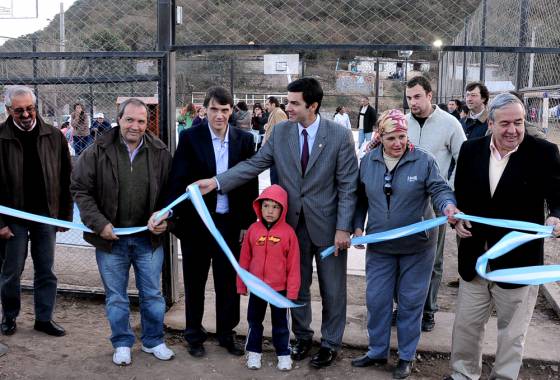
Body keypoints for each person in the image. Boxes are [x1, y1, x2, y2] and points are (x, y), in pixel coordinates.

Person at [195, 78, 358, 369]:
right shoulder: (281, 133)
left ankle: (331, 343)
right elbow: (254, 165)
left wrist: (343, 228)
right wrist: (218, 182)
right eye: (288, 101)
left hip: (330, 228)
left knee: (333, 290)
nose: (288, 107)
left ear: (313, 105)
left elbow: (347, 186)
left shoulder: (339, 136)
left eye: (295, 103)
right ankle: (304, 337)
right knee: (298, 286)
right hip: (291, 228)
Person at [446, 93, 560, 380]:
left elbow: (558, 195)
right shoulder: (470, 151)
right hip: (474, 258)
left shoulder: (543, 153)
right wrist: (456, 220)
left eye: (519, 122)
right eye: (505, 123)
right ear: (491, 124)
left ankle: (504, 377)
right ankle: (463, 374)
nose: (513, 130)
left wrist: (556, 215)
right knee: (467, 326)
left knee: (512, 333)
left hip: (518, 262)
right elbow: (460, 200)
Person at [351, 109, 458, 379]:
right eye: (391, 138)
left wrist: (447, 206)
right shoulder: (368, 161)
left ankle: (406, 356)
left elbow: (439, 189)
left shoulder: (423, 160)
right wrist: (356, 226)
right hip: (381, 247)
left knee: (411, 303)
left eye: (402, 137)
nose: (398, 143)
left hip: (417, 248)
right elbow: (361, 198)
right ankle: (377, 351)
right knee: (377, 300)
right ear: (380, 137)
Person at [153, 86, 258, 358]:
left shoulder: (244, 140)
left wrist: (248, 222)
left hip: (230, 224)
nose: (220, 115)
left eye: (225, 110)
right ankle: (194, 335)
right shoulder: (190, 138)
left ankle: (226, 333)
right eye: (214, 109)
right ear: (205, 109)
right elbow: (178, 179)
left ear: (231, 110)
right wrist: (171, 213)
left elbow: (249, 184)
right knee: (195, 281)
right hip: (197, 225)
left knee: (227, 283)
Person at [71, 98, 175, 366]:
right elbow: (81, 190)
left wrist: (165, 217)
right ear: (119, 119)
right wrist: (99, 224)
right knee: (116, 296)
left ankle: (153, 340)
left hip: (147, 239)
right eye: (130, 120)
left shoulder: (160, 151)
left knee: (152, 294)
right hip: (110, 240)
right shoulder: (97, 151)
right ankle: (122, 342)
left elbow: (171, 194)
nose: (135, 126)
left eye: (141, 121)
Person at [0, 85, 72, 337]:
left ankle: (44, 318)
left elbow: (66, 178)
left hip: (46, 215)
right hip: (12, 217)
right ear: (9, 110)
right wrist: (0, 223)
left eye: (30, 108)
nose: (26, 114)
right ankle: (9, 317)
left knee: (46, 270)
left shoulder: (54, 136)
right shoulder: (1, 137)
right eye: (19, 111)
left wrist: (65, 215)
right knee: (11, 272)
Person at [404, 76, 466, 332]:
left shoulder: (450, 124)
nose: (412, 103)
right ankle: (405, 307)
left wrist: (448, 190)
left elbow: (464, 158)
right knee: (403, 256)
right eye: (408, 98)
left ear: (430, 95)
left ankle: (428, 310)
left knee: (433, 260)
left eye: (417, 96)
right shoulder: (402, 123)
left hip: (434, 204)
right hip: (403, 202)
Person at [238, 184, 300, 372]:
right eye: (266, 206)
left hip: (279, 290)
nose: (270, 211)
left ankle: (283, 354)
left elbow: (294, 264)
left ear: (282, 209)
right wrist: (242, 284)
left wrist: (292, 291)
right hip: (257, 288)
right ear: (259, 206)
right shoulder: (252, 230)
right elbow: (244, 259)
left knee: (281, 324)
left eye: (275, 206)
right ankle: (254, 353)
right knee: (254, 322)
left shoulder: (288, 233)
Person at [262, 96, 288, 184]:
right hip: (273, 149)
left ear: (273, 104)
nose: (265, 107)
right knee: (273, 175)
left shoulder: (278, 113)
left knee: (275, 176)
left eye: (267, 104)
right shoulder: (274, 112)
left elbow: (284, 131)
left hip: (277, 151)